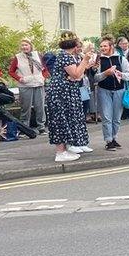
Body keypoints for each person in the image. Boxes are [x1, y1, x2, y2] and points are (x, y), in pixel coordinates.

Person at [45, 31, 94, 162]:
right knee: (61, 119)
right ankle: (60, 152)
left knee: (65, 118)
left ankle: (65, 149)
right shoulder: (66, 56)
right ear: (74, 44)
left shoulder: (65, 55)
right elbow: (77, 75)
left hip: (63, 91)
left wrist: (82, 65)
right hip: (61, 93)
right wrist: (85, 60)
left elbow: (75, 74)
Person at [94, 35, 129, 150]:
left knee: (116, 117)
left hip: (119, 91)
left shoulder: (121, 59)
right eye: (101, 46)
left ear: (111, 46)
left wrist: (121, 74)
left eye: (105, 46)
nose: (102, 48)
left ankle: (114, 138)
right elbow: (95, 78)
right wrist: (105, 73)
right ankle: (108, 140)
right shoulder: (99, 60)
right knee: (106, 117)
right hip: (104, 91)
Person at [8, 38, 48, 134]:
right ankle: (25, 127)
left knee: (40, 106)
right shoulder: (18, 57)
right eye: (22, 45)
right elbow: (11, 71)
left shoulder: (37, 55)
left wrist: (43, 77)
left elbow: (45, 69)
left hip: (38, 83)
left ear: (30, 46)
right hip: (25, 84)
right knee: (25, 107)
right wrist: (19, 78)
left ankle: (41, 127)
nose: (24, 47)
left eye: (26, 45)